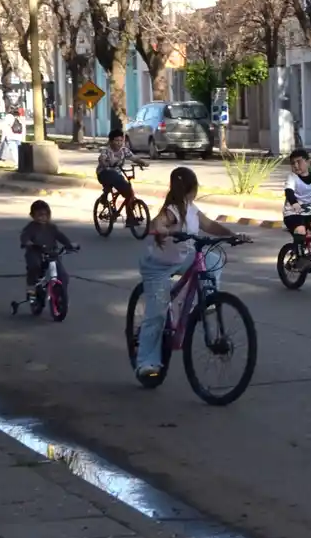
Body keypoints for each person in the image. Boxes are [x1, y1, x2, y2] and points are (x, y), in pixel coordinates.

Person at [135, 167, 247, 378]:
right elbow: (157, 223)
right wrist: (164, 230)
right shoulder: (172, 210)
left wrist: (232, 235)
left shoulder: (191, 208)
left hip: (181, 258)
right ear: (192, 188)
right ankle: (146, 363)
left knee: (212, 258)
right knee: (156, 314)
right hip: (158, 265)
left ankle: (204, 302)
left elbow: (210, 225)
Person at [19, 199, 74, 289]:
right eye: (40, 215)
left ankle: (61, 296)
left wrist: (69, 244)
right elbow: (24, 236)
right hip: (35, 252)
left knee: (62, 275)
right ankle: (31, 288)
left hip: (51, 253)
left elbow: (60, 236)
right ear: (32, 216)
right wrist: (28, 243)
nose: (43, 217)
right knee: (34, 267)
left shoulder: (51, 227)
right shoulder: (31, 227)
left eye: (46, 215)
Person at [97, 129, 143, 220]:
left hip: (117, 175)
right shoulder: (106, 151)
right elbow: (102, 159)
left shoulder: (124, 150)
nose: (119, 143)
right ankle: (104, 196)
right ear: (110, 141)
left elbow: (133, 157)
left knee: (129, 193)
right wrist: (106, 163)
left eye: (121, 141)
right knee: (117, 182)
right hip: (104, 173)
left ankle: (130, 218)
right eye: (116, 141)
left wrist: (142, 162)